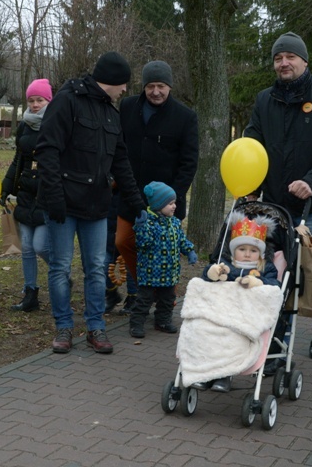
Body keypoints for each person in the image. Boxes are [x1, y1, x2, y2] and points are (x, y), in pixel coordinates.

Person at [244, 31, 312, 367]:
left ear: (304, 61)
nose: (284, 63)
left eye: (290, 56)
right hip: (274, 204)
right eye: (278, 58)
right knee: (279, 276)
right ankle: (277, 343)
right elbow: (253, 142)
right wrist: (250, 183)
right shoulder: (264, 100)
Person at [35, 51, 146, 355]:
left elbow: (120, 161)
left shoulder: (112, 113)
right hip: (62, 204)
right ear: (110, 80)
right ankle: (63, 328)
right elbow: (46, 150)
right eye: (123, 83)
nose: (125, 90)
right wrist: (54, 197)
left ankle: (96, 326)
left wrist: (137, 203)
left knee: (96, 268)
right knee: (59, 267)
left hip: (96, 204)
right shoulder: (67, 100)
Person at [116, 60, 199, 314]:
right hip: (132, 195)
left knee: (165, 254)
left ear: (169, 86)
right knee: (124, 241)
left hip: (167, 203)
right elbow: (119, 147)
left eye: (161, 86)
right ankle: (143, 291)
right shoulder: (128, 107)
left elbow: (189, 163)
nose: (155, 92)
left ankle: (164, 304)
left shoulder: (185, 117)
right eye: (150, 86)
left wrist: (169, 200)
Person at [195, 213, 281, 392]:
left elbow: (275, 286)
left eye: (253, 251)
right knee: (206, 333)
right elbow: (207, 277)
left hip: (248, 316)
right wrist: (213, 273)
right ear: (234, 250)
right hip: (221, 310)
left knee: (232, 339)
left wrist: (258, 282)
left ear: (261, 253)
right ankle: (202, 372)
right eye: (242, 249)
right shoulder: (226, 265)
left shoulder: (266, 269)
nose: (248, 254)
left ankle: (224, 375)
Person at [0, 79, 52, 312]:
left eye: (40, 100)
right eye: (31, 100)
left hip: (48, 195)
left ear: (49, 100)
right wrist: (6, 187)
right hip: (26, 194)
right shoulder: (24, 126)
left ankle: (61, 272)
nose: (35, 104)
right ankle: (30, 294)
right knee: (28, 247)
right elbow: (18, 161)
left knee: (41, 245)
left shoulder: (57, 123)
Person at [129, 181, 198, 339]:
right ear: (158, 205)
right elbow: (142, 244)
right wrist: (140, 228)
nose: (174, 206)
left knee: (167, 299)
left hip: (169, 272)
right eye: (170, 203)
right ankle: (136, 323)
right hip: (150, 271)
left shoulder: (174, 222)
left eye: (174, 203)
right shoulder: (148, 222)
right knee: (144, 300)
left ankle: (163, 320)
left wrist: (190, 250)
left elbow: (181, 239)